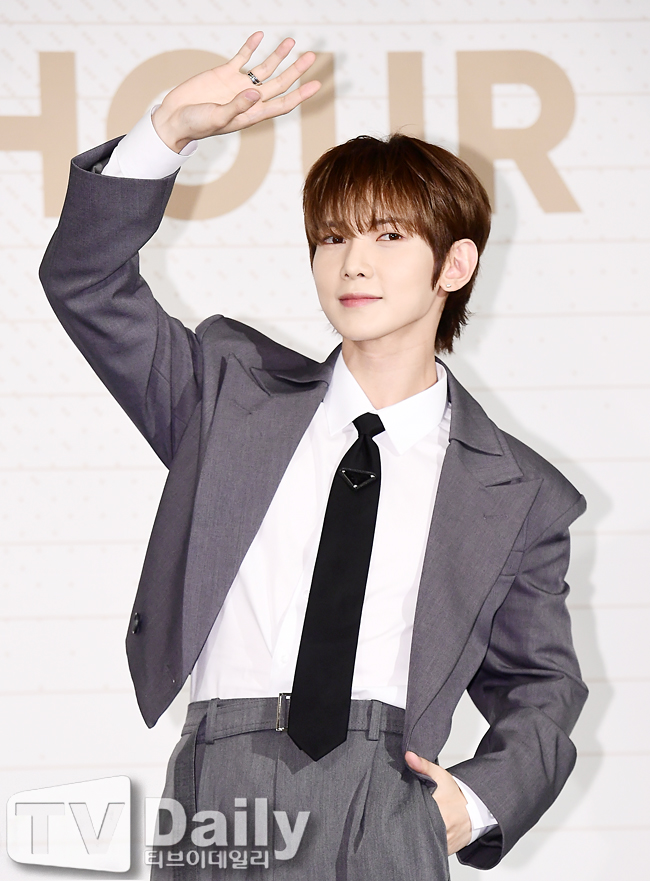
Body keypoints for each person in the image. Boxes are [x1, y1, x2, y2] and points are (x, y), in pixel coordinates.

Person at [39, 32, 588, 880]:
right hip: (221, 782)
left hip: (386, 795)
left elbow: (541, 684)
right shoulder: (227, 398)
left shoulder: (517, 491)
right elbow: (87, 283)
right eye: (331, 238)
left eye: (389, 236)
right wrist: (165, 131)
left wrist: (476, 801)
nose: (353, 262)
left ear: (456, 262)